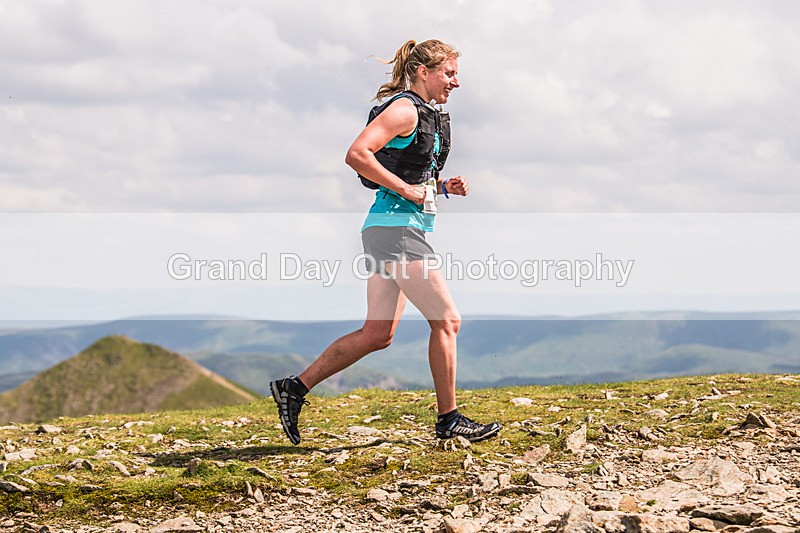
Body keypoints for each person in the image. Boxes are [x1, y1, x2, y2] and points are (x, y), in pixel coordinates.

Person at [270, 39, 501, 445]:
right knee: (447, 321)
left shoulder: (422, 113)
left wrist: (441, 187)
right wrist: (408, 191)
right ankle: (448, 419)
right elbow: (357, 153)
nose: (456, 82)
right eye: (449, 73)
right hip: (396, 231)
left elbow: (406, 173)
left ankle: (294, 387)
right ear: (423, 72)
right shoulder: (404, 108)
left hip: (388, 230)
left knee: (377, 334)